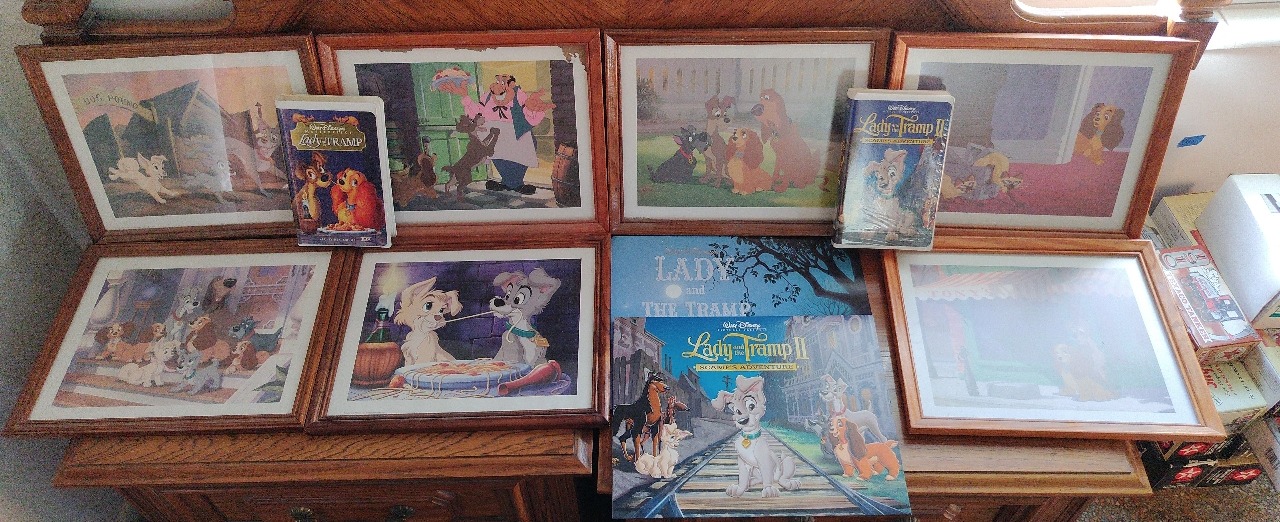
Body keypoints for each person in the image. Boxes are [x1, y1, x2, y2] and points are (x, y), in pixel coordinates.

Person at [438, 73, 555, 194]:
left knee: (521, 154)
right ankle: (509, 183)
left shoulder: (519, 95)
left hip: (516, 133)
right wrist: (465, 96)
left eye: (504, 82)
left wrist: (533, 110)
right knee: (495, 154)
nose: (500, 85)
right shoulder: (487, 97)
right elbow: (476, 113)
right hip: (494, 133)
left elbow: (529, 116)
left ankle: (514, 183)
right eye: (498, 81)